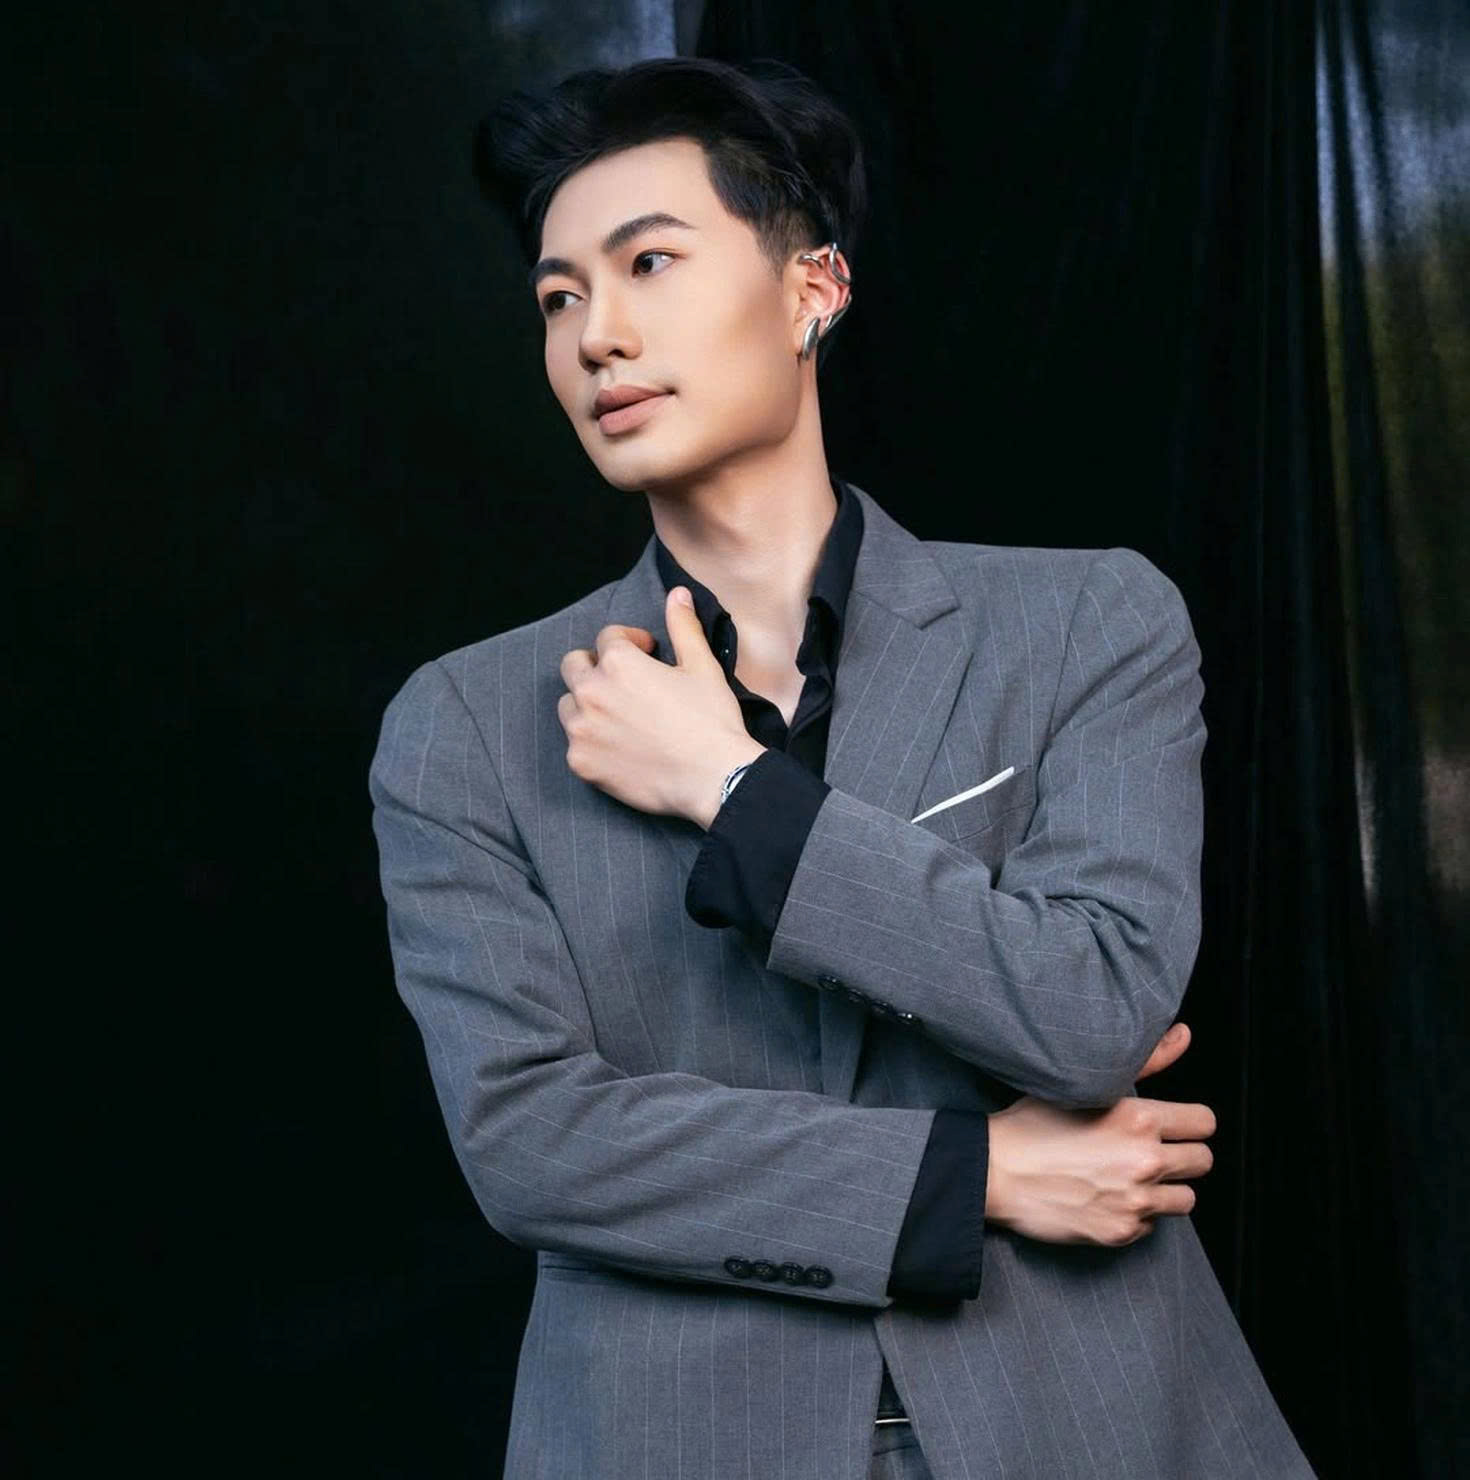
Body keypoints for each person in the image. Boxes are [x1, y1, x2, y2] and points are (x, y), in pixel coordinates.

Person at [369, 56, 1315, 1480]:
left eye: (649, 264)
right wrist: (975, 1174)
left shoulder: (1084, 621)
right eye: (559, 297)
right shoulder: (465, 722)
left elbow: (1092, 1008)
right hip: (679, 1438)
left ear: (813, 288)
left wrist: (733, 794)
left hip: (1088, 1419)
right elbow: (534, 1140)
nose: (597, 336)